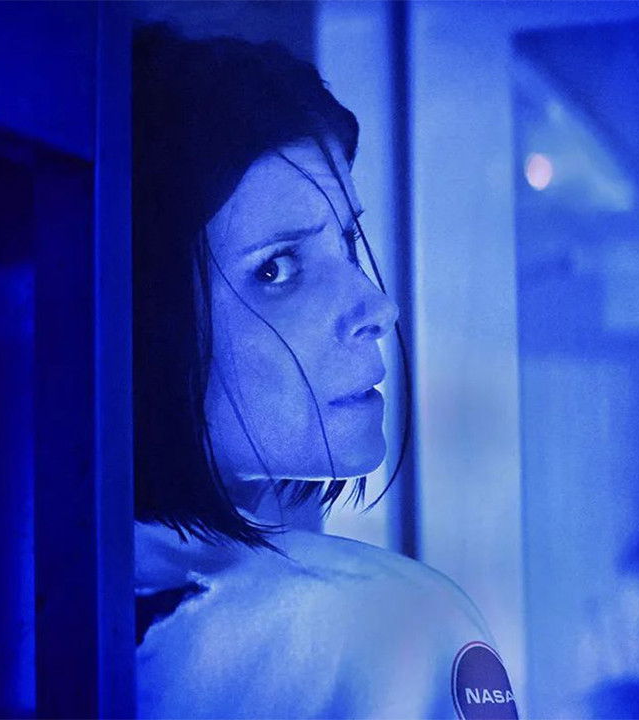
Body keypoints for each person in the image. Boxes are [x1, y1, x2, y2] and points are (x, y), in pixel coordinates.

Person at [132, 25, 518, 719]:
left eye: (346, 241)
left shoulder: (27, 607)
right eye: (278, 268)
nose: (377, 307)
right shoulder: (394, 631)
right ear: (141, 316)